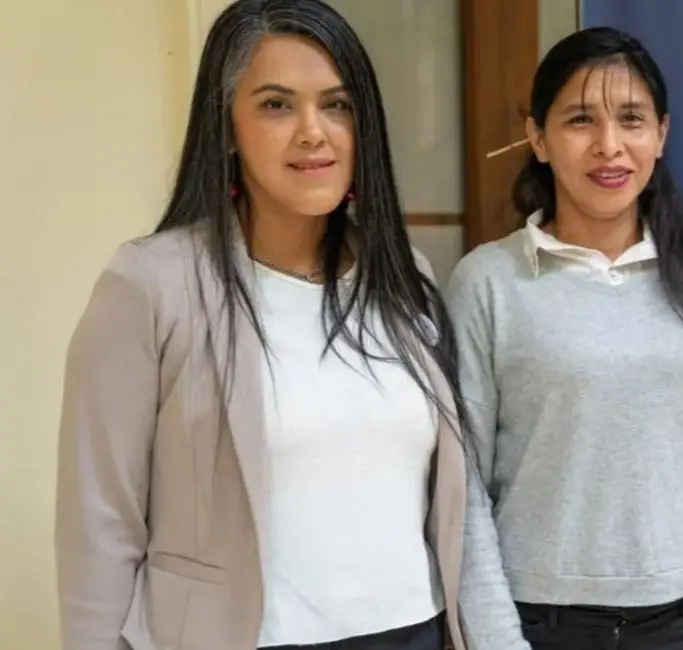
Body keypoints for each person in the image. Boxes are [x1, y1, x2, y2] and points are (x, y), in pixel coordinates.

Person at [53, 2, 476, 649]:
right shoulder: (153, 284)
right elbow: (100, 522)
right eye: (277, 105)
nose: (313, 132)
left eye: (337, 106)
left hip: (415, 631)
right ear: (226, 127)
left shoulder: (401, 274)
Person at [448, 26, 683, 650]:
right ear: (538, 137)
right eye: (580, 120)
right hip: (540, 623)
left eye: (631, 119)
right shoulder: (488, 281)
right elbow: (463, 489)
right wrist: (497, 641)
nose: (609, 145)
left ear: (661, 135)